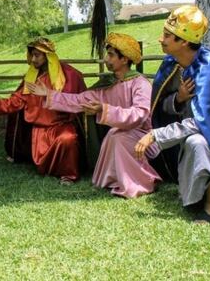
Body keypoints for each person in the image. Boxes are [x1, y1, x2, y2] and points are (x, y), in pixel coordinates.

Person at [28, 33, 160, 198]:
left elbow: (140, 115)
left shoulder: (140, 83)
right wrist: (48, 94)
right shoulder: (109, 85)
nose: (106, 59)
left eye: (111, 55)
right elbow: (79, 100)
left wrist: (104, 110)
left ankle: (143, 182)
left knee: (117, 136)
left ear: (124, 59)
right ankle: (113, 180)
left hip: (143, 136)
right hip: (121, 133)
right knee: (115, 134)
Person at [135, 5, 210, 223]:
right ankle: (195, 194)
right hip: (180, 136)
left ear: (183, 41)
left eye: (167, 35)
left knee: (198, 141)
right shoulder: (171, 64)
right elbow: (162, 107)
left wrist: (156, 135)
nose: (160, 39)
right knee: (193, 140)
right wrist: (178, 99)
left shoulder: (209, 69)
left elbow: (205, 123)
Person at [0, 38, 86, 184]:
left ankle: (68, 175)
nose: (33, 59)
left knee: (68, 138)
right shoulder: (31, 78)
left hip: (62, 125)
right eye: (32, 55)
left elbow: (78, 101)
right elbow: (14, 102)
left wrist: (47, 94)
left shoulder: (69, 75)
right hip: (40, 131)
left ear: (47, 56)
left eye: (37, 55)